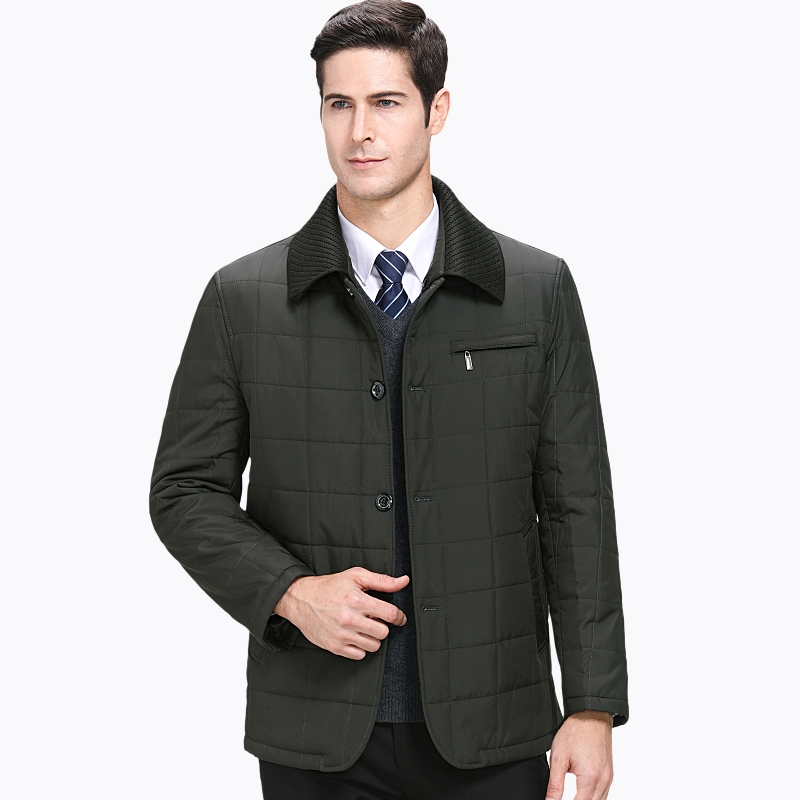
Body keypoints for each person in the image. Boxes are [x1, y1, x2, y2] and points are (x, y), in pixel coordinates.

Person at [148, 2, 629, 798]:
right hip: (317, 728)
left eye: (387, 102)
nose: (360, 131)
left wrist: (592, 704)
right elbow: (183, 490)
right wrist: (291, 594)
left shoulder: (534, 291)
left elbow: (577, 503)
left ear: (437, 110)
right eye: (339, 104)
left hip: (495, 728)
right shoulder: (244, 299)